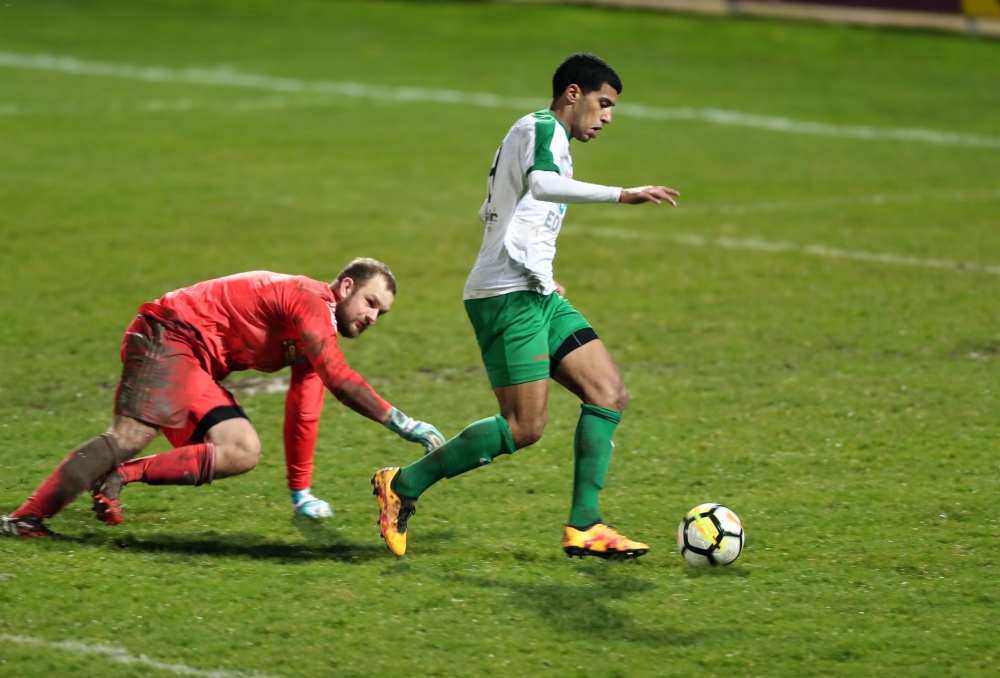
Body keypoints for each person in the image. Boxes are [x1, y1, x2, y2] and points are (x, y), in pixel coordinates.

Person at [372, 53, 679, 560]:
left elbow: (497, 205)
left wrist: (538, 268)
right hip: (504, 297)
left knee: (608, 392)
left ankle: (586, 525)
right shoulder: (542, 128)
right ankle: (403, 484)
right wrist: (623, 194)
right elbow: (539, 185)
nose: (607, 117)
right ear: (573, 94)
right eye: (603, 103)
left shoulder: (546, 139)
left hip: (535, 291)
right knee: (524, 427)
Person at [2, 259, 444, 538]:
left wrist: (300, 493)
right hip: (168, 335)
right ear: (345, 287)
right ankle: (24, 518)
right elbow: (340, 380)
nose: (372, 317)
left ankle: (119, 477)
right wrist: (404, 423)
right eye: (370, 303)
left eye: (380, 314)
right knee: (131, 434)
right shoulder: (309, 300)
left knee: (241, 450)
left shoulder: (316, 335)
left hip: (195, 365)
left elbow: (305, 411)